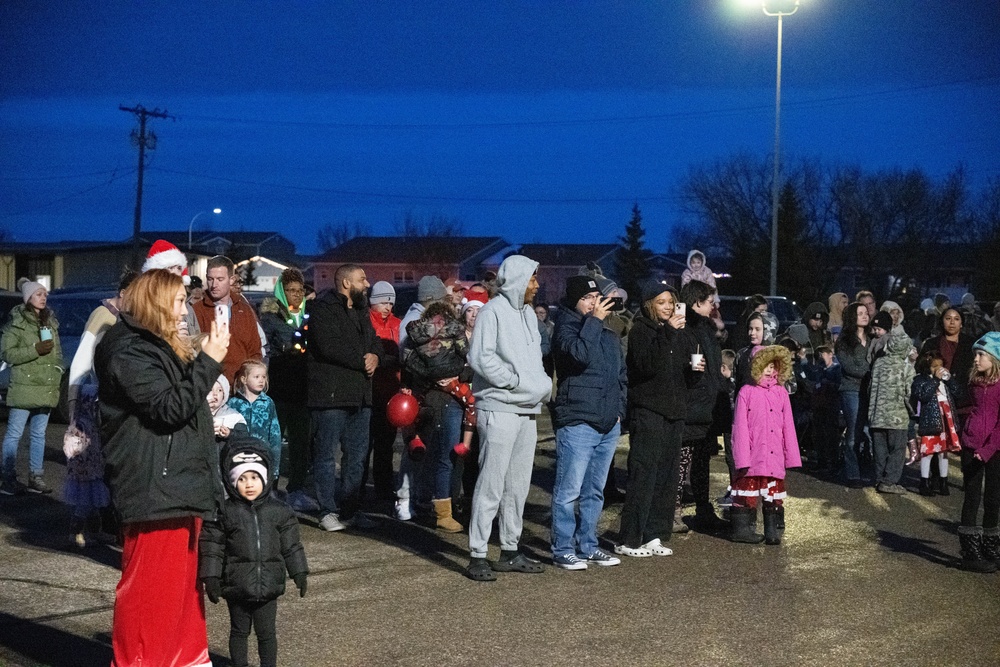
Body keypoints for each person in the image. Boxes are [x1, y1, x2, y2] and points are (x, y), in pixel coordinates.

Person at [95, 269, 230, 666]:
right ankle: (141, 660)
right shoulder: (127, 350)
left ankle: (185, 657)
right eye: (176, 302)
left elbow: (181, 398)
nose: (183, 310)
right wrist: (209, 362)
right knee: (150, 589)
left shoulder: (157, 344)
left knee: (183, 589)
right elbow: (169, 409)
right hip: (154, 486)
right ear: (154, 303)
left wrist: (200, 358)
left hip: (178, 484)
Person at [465, 255, 551, 581]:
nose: (536, 284)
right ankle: (477, 554)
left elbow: (534, 360)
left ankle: (510, 550)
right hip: (498, 408)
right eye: (532, 279)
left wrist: (537, 385)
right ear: (517, 279)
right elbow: (480, 357)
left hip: (527, 410)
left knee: (517, 486)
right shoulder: (492, 312)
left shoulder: (528, 314)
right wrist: (513, 382)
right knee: (491, 483)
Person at [199, 436, 308, 667]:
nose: (249, 484)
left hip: (268, 586)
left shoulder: (279, 511)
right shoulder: (224, 513)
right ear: (231, 481)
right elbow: (213, 546)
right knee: (239, 632)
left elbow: (291, 545)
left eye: (255, 477)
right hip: (237, 586)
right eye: (242, 478)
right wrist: (210, 576)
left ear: (266, 478)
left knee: (267, 634)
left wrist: (299, 572)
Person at [548, 276, 626, 570]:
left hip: (607, 422)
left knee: (595, 490)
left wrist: (619, 411)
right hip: (578, 420)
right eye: (588, 298)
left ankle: (588, 545)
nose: (595, 303)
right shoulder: (565, 328)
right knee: (569, 490)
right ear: (574, 301)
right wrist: (594, 321)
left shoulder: (607, 331)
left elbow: (620, 376)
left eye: (597, 297)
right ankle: (563, 548)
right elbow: (578, 356)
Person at [616, 280, 698, 559]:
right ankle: (629, 538)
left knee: (666, 477)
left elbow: (680, 374)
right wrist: (668, 335)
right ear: (650, 304)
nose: (667, 308)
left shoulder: (678, 333)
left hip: (674, 413)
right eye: (661, 302)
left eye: (671, 303)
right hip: (648, 411)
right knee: (643, 475)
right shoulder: (643, 330)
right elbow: (646, 365)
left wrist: (695, 371)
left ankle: (653, 534)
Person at [63, 270, 137, 544]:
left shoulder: (130, 319)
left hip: (116, 400)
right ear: (124, 292)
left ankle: (104, 521)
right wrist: (74, 401)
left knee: (110, 462)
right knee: (90, 463)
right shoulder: (103, 315)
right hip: (93, 398)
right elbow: (83, 357)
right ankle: (84, 521)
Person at [307, 264, 382, 532]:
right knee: (326, 456)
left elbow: (374, 341)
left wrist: (375, 355)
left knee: (357, 457)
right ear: (347, 283)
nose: (367, 283)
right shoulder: (323, 308)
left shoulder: (361, 310)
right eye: (362, 279)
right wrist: (363, 361)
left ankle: (351, 509)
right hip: (331, 396)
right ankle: (327, 510)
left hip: (360, 397)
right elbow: (328, 346)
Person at [402, 300, 471, 533]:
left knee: (428, 455)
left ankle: (422, 501)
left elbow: (408, 365)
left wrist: (429, 378)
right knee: (446, 458)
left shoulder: (415, 333)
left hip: (426, 400)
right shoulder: (455, 330)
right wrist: (454, 377)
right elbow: (470, 361)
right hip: (449, 400)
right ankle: (443, 513)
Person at [730, 345, 802, 545]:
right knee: (747, 492)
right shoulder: (746, 392)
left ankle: (772, 528)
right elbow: (740, 428)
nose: (770, 370)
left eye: (773, 366)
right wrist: (742, 457)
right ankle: (742, 528)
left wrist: (791, 456)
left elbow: (788, 426)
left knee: (772, 494)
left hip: (773, 454)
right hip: (753, 455)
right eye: (766, 366)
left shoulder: (781, 393)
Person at [258, 267, 314, 512]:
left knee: (302, 442)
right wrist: (287, 346)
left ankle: (297, 489)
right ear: (281, 292)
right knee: (274, 440)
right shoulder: (270, 318)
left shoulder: (309, 317)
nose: (296, 295)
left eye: (300, 290)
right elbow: (266, 350)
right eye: (291, 290)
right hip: (278, 388)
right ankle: (270, 488)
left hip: (303, 388)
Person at [1, 279, 62, 496]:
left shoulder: (50, 322)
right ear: (28, 298)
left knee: (39, 434)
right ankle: (7, 478)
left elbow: (58, 353)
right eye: (38, 294)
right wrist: (35, 349)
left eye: (45, 293)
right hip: (24, 386)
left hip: (45, 385)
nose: (43, 297)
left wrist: (58, 370)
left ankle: (36, 475)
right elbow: (8, 354)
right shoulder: (17, 323)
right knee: (14, 433)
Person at [679, 279, 727, 531]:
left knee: (701, 461)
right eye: (710, 301)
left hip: (707, 404)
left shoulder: (706, 328)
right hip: (692, 404)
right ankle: (673, 510)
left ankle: (703, 508)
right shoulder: (684, 326)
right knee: (682, 459)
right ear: (697, 302)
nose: (714, 305)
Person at [957, 332, 1000, 573]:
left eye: (981, 354)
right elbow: (967, 409)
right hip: (971, 446)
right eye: (975, 354)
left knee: (993, 498)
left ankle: (991, 546)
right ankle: (970, 551)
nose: (976, 359)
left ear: (994, 358)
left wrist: (988, 449)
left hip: (994, 448)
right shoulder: (973, 383)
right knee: (971, 497)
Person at [192, 255, 263, 384]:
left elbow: (255, 351)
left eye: (220, 279)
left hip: (241, 388)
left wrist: (250, 381)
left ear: (231, 280)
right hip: (210, 388)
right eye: (210, 279)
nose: (214, 285)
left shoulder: (245, 310)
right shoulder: (197, 310)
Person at [867, 311, 915, 494]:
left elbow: (871, 388)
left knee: (879, 449)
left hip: (878, 415)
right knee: (897, 449)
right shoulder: (905, 367)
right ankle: (889, 481)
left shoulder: (879, 363)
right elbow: (908, 392)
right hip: (897, 418)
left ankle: (879, 478)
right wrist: (912, 412)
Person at [366, 281, 402, 504]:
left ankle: (383, 490)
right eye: (382, 302)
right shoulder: (365, 322)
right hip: (370, 391)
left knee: (385, 446)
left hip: (390, 391)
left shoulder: (398, 324)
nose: (387, 306)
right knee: (364, 445)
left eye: (390, 302)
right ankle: (357, 491)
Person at [910, 350, 961, 496]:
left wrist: (949, 380)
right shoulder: (921, 380)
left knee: (943, 453)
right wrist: (935, 380)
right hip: (931, 421)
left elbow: (959, 394)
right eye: (934, 366)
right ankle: (924, 482)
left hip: (946, 419)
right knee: (928, 452)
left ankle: (943, 482)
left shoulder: (946, 381)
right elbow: (923, 396)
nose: (938, 368)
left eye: (940, 365)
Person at [835, 301, 872, 488]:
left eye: (866, 312)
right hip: (852, 390)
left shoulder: (873, 338)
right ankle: (853, 473)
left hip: (872, 390)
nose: (865, 316)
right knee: (854, 431)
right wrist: (872, 372)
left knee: (870, 430)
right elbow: (849, 367)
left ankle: (870, 469)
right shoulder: (844, 341)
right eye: (860, 313)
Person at [228, 359, 283, 481]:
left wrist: (275, 467)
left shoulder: (268, 403)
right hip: (239, 455)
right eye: (256, 376)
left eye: (264, 377)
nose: (261, 380)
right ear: (244, 379)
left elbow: (275, 434)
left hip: (262, 455)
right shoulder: (233, 403)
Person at [142, 239, 201, 337]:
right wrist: (170, 338)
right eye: (169, 268)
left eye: (178, 268)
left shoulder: (187, 307)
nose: (176, 273)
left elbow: (197, 339)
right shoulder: (143, 306)